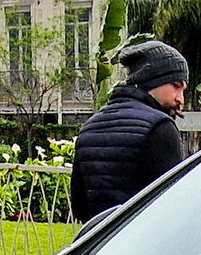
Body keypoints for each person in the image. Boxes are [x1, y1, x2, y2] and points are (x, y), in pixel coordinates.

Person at [70, 39, 189, 222]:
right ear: (154, 80)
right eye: (176, 86)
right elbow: (173, 205)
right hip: (146, 243)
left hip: (101, 245)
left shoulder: (89, 127)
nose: (180, 99)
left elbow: (79, 207)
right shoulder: (160, 127)